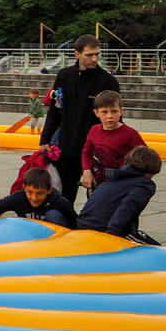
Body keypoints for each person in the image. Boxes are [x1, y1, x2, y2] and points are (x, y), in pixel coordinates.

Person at [40, 34, 120, 206]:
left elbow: (115, 117)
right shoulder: (64, 76)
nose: (94, 58)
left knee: (98, 198)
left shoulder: (107, 81)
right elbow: (55, 109)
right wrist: (45, 138)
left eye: (97, 54)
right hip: (67, 146)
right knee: (63, 197)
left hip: (96, 150)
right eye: (89, 55)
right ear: (77, 54)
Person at [78, 146, 162, 240]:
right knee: (159, 250)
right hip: (104, 230)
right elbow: (128, 206)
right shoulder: (145, 184)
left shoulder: (115, 176)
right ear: (152, 171)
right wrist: (113, 233)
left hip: (83, 224)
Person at [81, 90, 145, 193]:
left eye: (114, 111)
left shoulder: (130, 134)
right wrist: (86, 170)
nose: (110, 116)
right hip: (97, 185)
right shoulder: (94, 130)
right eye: (104, 112)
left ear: (121, 111)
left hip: (121, 186)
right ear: (96, 113)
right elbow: (86, 152)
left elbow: (145, 157)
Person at [0, 166, 77, 228]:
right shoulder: (19, 197)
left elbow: (75, 223)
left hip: (54, 238)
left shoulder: (59, 201)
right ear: (24, 188)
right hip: (29, 236)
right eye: (30, 192)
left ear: (49, 190)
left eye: (40, 193)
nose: (34, 198)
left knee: (53, 215)